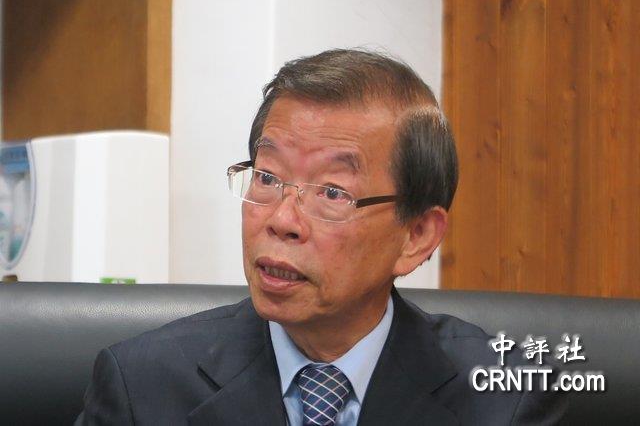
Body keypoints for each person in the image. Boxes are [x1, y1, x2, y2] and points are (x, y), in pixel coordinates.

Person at [76, 49, 567, 425]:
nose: (282, 220)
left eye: (332, 192)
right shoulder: (141, 386)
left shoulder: (505, 399)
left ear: (416, 236)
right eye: (267, 177)